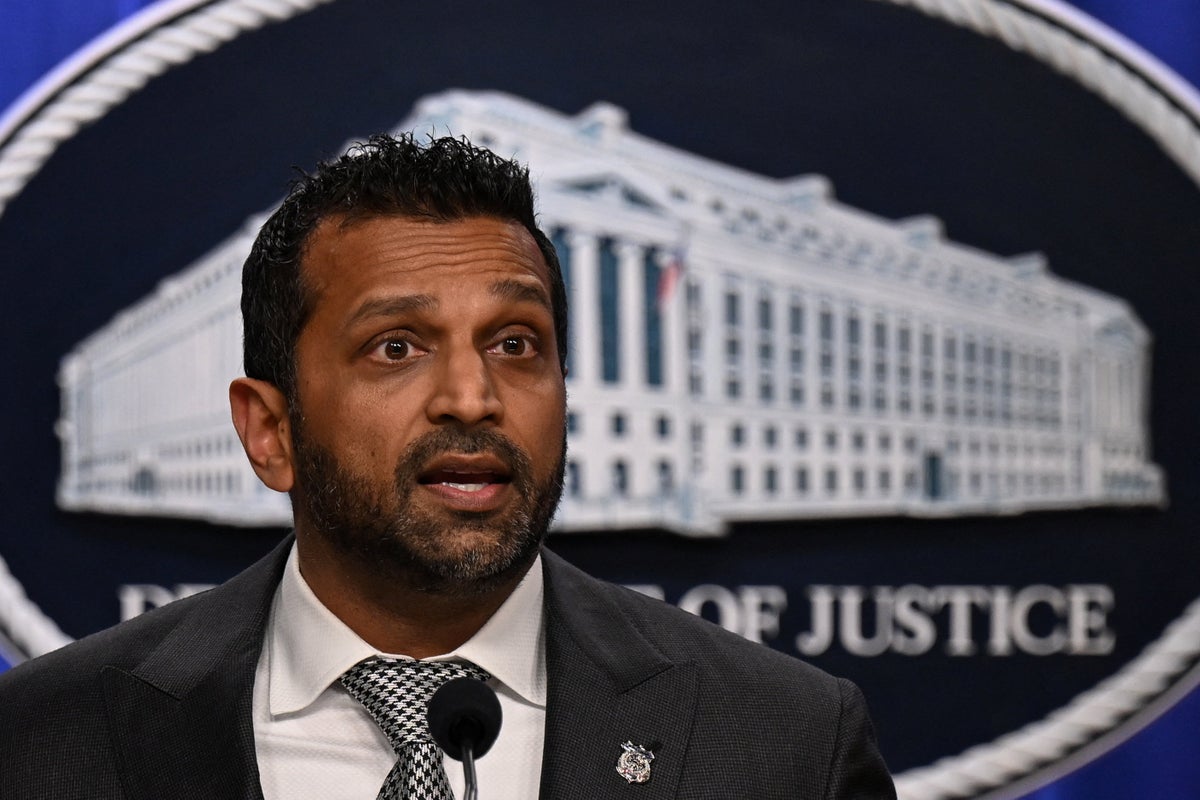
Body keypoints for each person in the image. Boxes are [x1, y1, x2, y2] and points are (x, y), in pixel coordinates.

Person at [0, 134, 895, 799]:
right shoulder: (44, 745)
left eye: (515, 343)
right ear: (270, 430)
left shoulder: (786, 746)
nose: (472, 397)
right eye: (397, 347)